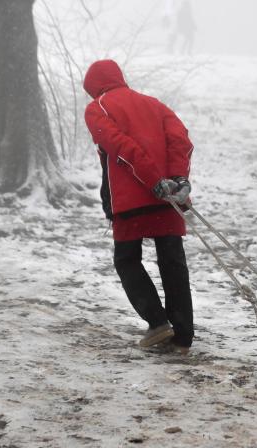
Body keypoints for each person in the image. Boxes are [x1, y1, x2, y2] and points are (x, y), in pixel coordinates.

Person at [83, 59, 195, 355]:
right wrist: (177, 178)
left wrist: (153, 180)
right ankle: (182, 336)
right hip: (168, 197)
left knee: (126, 260)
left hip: (132, 198)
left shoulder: (98, 108)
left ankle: (158, 323)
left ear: (93, 87)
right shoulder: (153, 104)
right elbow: (179, 139)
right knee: (172, 261)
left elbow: (118, 145)